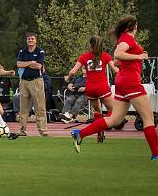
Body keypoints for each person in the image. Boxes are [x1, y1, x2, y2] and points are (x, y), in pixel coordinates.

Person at [72, 15, 158, 160]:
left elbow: (117, 61)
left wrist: (135, 57)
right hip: (131, 82)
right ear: (133, 26)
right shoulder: (128, 39)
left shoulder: (124, 39)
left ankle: (80, 134)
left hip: (122, 82)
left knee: (115, 120)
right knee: (148, 118)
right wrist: (139, 57)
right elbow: (118, 54)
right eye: (137, 25)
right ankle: (156, 154)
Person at [65, 35, 119, 142]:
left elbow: (73, 72)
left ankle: (99, 133)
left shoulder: (84, 56)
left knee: (97, 110)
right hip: (102, 87)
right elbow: (115, 70)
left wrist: (69, 78)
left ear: (90, 45)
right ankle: (102, 127)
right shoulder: (105, 55)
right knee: (113, 111)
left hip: (90, 89)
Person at [16, 32, 48, 137]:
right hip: (24, 81)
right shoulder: (22, 51)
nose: (30, 41)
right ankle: (22, 131)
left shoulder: (40, 51)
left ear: (36, 40)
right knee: (23, 108)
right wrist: (31, 62)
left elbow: (39, 66)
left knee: (40, 107)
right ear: (26, 40)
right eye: (29, 39)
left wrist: (26, 64)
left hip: (36, 81)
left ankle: (43, 131)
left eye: (32, 39)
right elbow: (18, 64)